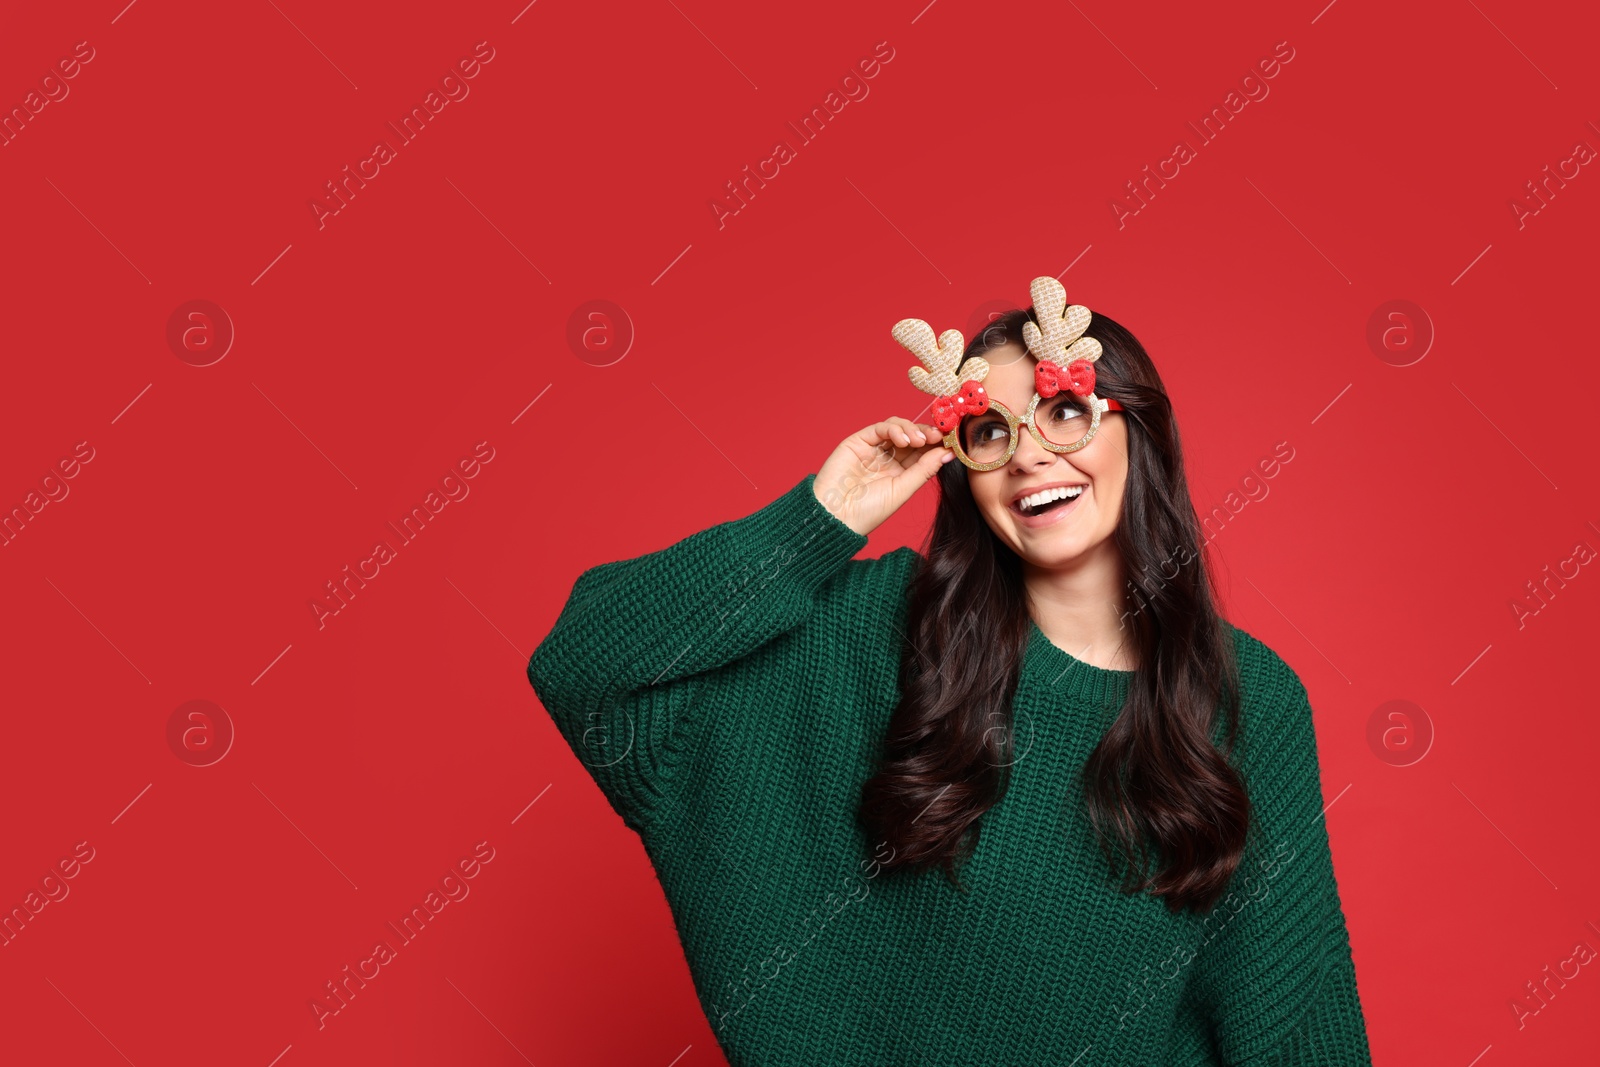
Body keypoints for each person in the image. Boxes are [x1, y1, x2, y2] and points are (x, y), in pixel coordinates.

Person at [526, 277, 1374, 1065]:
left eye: (1066, 412)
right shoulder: (877, 628)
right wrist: (819, 521)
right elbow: (585, 666)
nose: (1032, 455)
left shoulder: (1246, 699)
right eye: (991, 432)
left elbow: (1294, 1017)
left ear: (1139, 432)